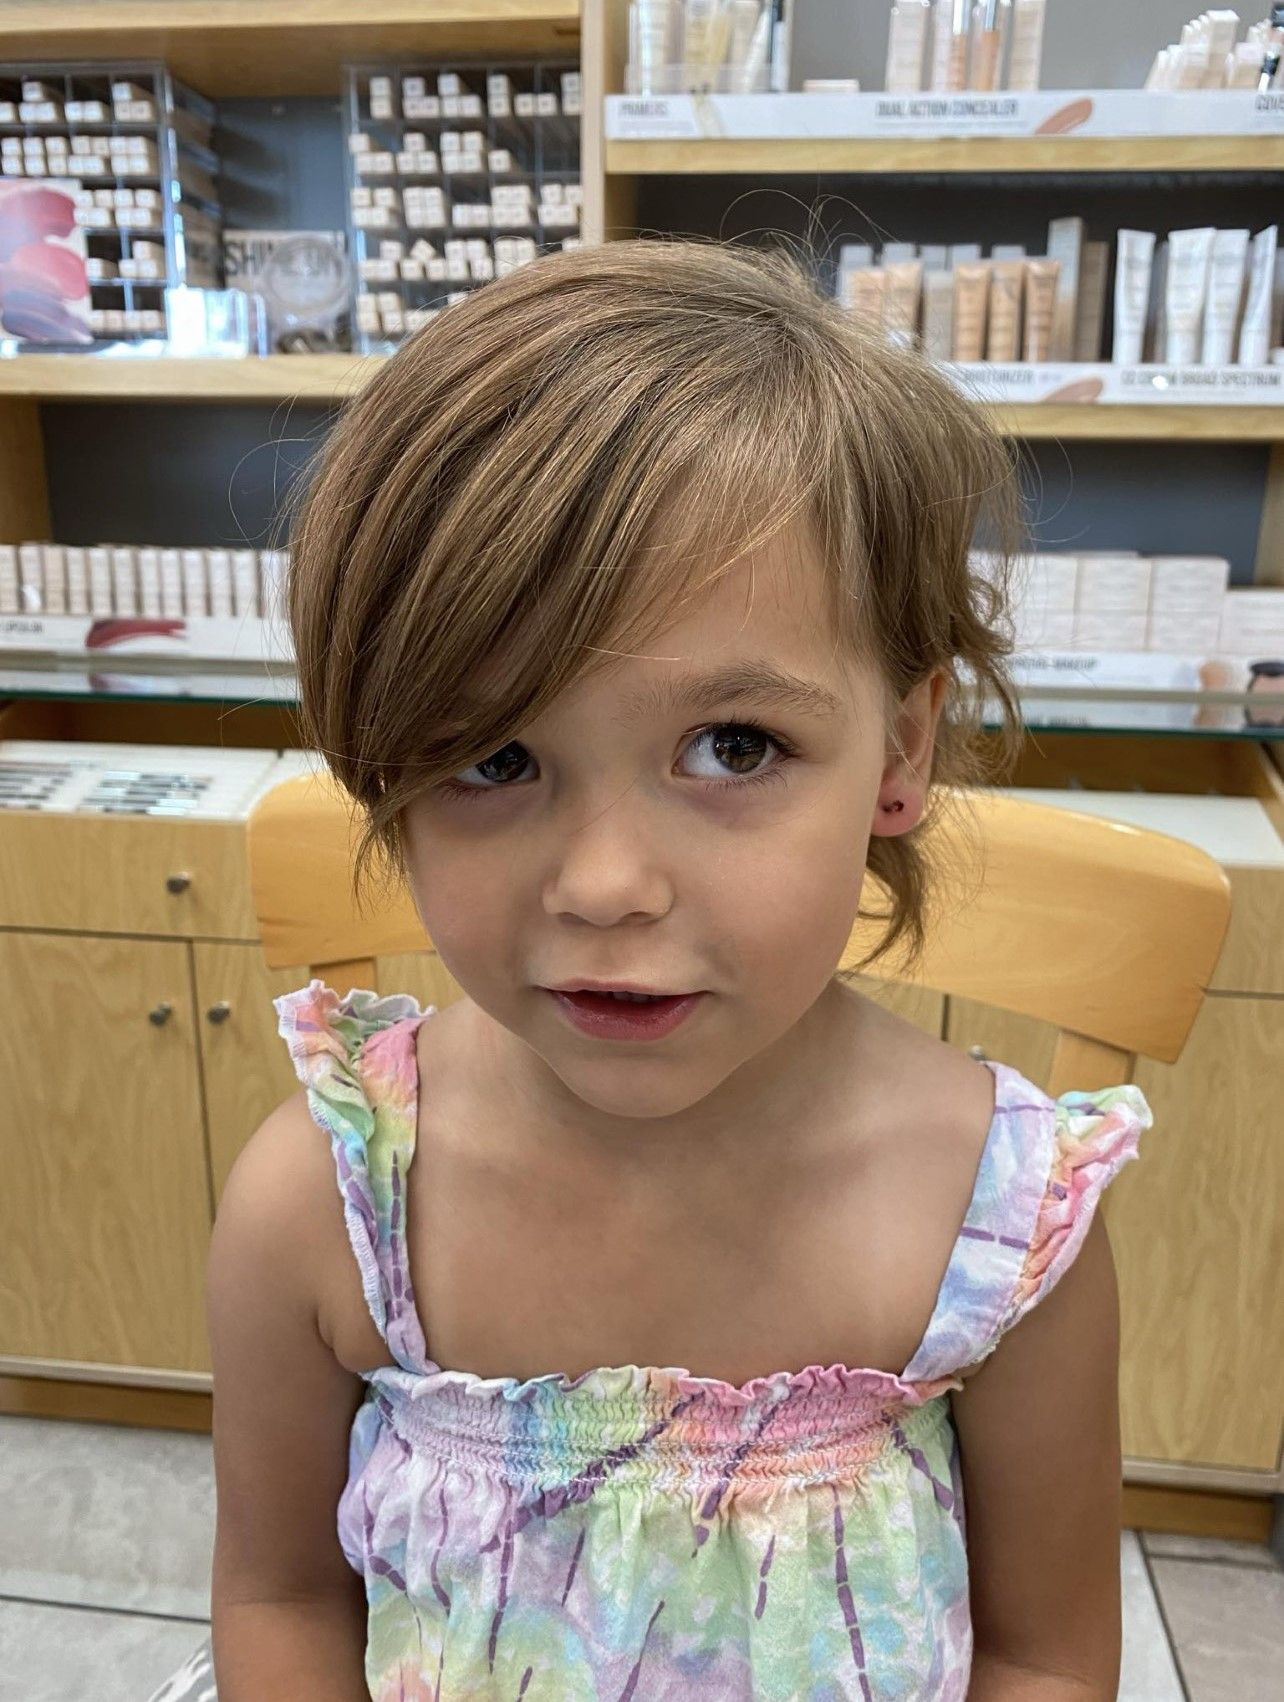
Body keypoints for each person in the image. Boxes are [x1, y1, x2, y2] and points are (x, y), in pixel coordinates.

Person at [207, 240, 1152, 1701]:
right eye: (493, 757)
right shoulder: (327, 1206)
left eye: (734, 747)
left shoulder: (1005, 1231)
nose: (604, 884)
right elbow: (280, 1598)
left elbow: (1042, 1652)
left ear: (900, 751)